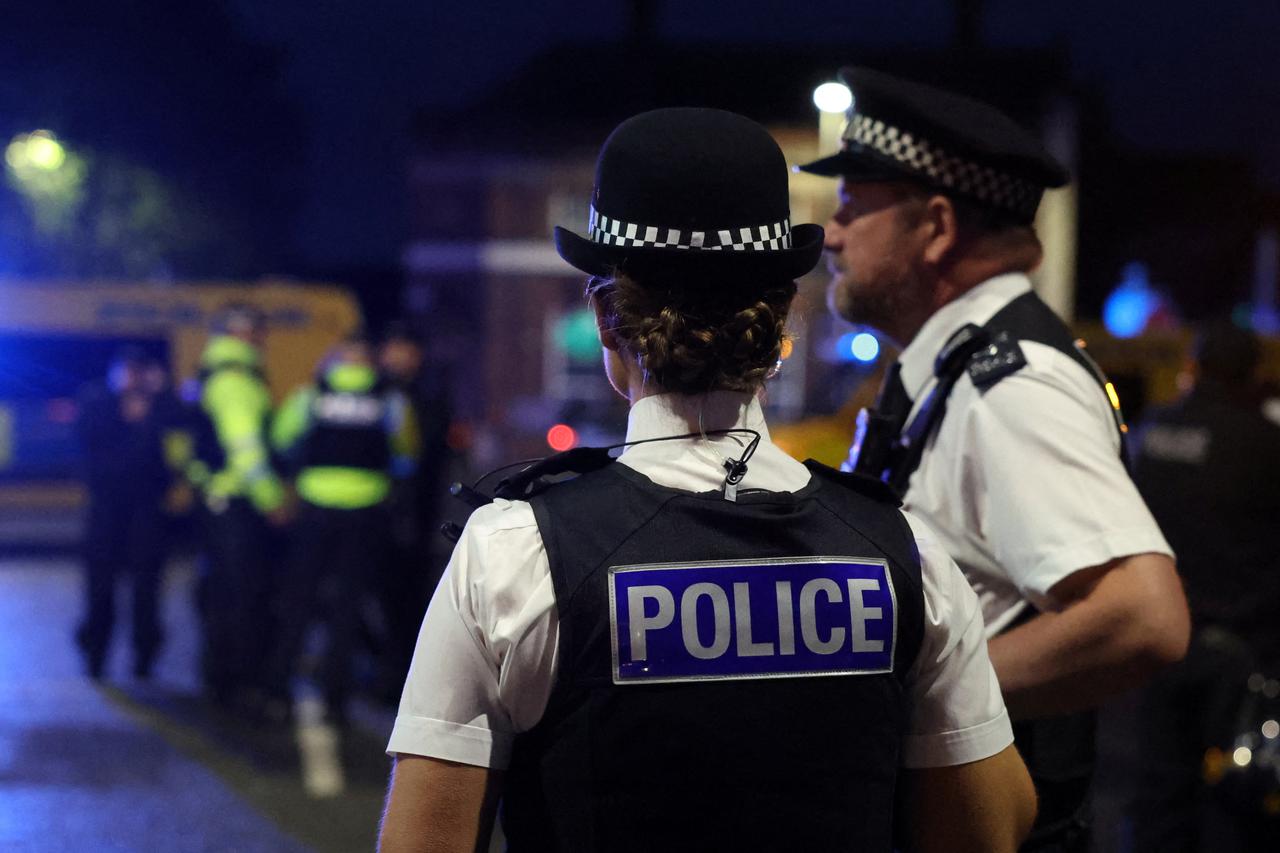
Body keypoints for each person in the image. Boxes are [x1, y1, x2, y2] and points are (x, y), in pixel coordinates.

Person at [380, 107, 1036, 853]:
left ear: (604, 315)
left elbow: (422, 840)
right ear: (782, 309)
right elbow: (985, 830)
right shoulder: (904, 554)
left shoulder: (513, 556)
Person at [797, 66, 1190, 850]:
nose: (831, 234)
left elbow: (1143, 616)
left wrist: (918, 698)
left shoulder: (1010, 386)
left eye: (853, 206)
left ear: (936, 226)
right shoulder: (954, 369)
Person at [1127, 320, 1280, 852]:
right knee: (1237, 801)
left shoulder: (1152, 432)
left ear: (1193, 367)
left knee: (1158, 794)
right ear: (1254, 373)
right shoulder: (1265, 441)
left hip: (1160, 636)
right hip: (1242, 647)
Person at [266, 336, 420, 723]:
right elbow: (406, 455)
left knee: (300, 598)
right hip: (366, 510)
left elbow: (283, 439)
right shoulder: (390, 399)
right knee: (348, 605)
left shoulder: (312, 395)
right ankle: (336, 695)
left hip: (315, 507)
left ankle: (279, 686)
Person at [186, 303, 289, 706]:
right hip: (236, 506)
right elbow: (245, 451)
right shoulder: (236, 380)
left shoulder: (211, 373)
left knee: (221, 594)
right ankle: (239, 681)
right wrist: (273, 500)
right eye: (259, 332)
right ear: (245, 334)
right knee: (243, 596)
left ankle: (222, 676)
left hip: (216, 501)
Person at [74, 346, 178, 679]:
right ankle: (95, 656)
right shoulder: (97, 403)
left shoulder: (161, 406)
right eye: (128, 371)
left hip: (146, 513)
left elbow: (175, 449)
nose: (133, 380)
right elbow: (91, 456)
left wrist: (157, 403)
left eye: (139, 372)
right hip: (106, 512)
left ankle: (144, 659)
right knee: (100, 591)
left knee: (146, 593)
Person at [376, 322, 452, 693]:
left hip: (416, 513)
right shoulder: (374, 391)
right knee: (380, 597)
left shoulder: (428, 395)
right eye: (393, 348)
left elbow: (433, 452)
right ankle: (385, 669)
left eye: (404, 349)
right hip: (377, 510)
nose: (397, 357)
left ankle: (398, 675)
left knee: (409, 598)